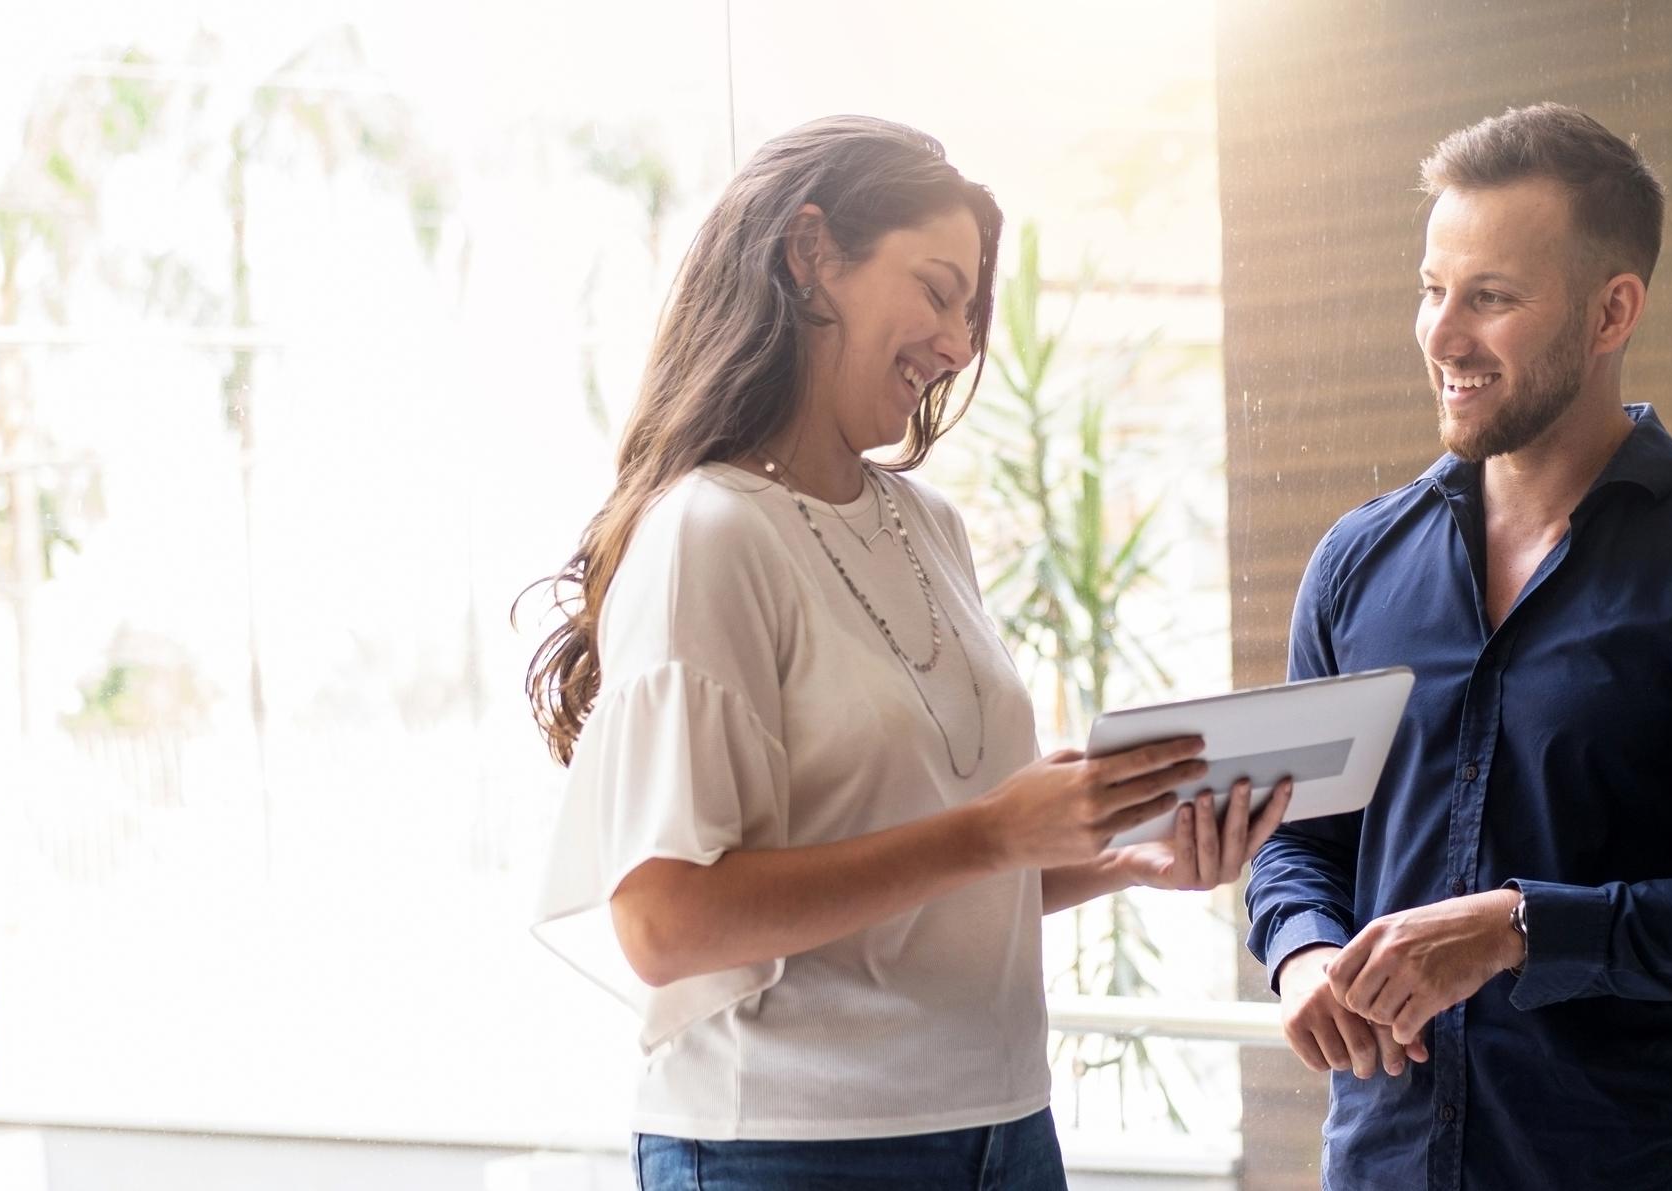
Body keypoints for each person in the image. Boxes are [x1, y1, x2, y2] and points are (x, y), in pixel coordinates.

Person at [523, 115, 1292, 1191]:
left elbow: (920, 889)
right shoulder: (710, 532)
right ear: (810, 254)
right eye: (937, 290)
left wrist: (1117, 858)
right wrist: (988, 835)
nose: (962, 340)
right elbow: (663, 922)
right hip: (792, 1149)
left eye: (972, 309)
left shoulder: (928, 528)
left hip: (1005, 1131)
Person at [1244, 103, 1672, 1191]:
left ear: (1613, 310)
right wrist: (1301, 958)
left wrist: (1522, 929)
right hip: (1383, 1166)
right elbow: (1299, 846)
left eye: (1491, 298)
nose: (1441, 335)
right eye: (1433, 291)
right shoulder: (1355, 563)